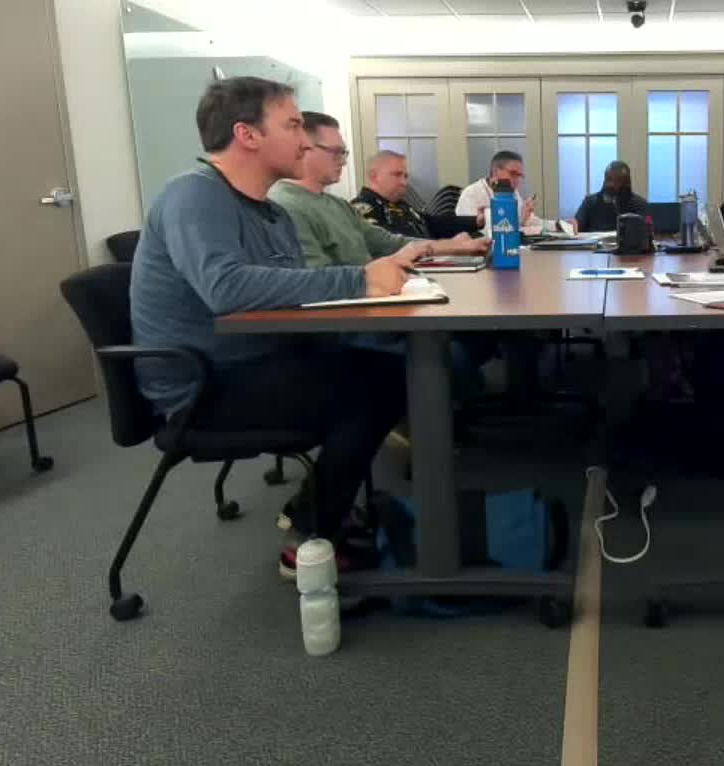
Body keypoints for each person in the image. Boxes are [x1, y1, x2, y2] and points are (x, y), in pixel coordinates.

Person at [129, 77, 411, 578]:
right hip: (204, 384)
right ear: (248, 135)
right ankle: (309, 535)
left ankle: (317, 511)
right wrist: (361, 279)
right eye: (293, 126)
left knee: (387, 364)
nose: (305, 141)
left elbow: (292, 290)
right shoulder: (193, 196)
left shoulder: (271, 213)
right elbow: (227, 288)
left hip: (258, 358)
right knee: (378, 384)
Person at [269, 122, 487, 269]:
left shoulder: (339, 205)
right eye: (336, 152)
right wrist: (392, 265)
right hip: (355, 315)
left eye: (343, 153)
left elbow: (389, 243)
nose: (343, 161)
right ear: (304, 148)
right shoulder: (286, 206)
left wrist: (456, 246)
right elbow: (317, 281)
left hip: (376, 300)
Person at [351, 149, 480, 240]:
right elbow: (394, 243)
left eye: (405, 176)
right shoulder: (360, 211)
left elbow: (431, 223)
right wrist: (449, 246)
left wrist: (476, 221)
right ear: (374, 176)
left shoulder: (398, 204)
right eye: (397, 175)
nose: (404, 182)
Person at [455, 150, 545, 233]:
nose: (517, 180)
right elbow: (479, 232)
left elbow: (527, 221)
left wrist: (526, 215)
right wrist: (519, 219)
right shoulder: (471, 194)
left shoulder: (512, 192)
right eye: (513, 174)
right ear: (495, 171)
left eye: (519, 176)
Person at [572, 161, 647, 233]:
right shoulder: (590, 202)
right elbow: (577, 224)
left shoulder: (639, 204)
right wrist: (572, 225)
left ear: (626, 184)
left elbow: (643, 232)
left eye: (618, 181)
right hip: (594, 242)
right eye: (609, 179)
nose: (611, 184)